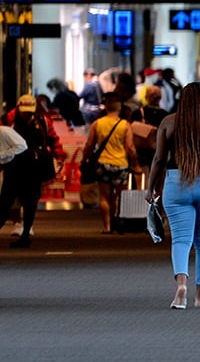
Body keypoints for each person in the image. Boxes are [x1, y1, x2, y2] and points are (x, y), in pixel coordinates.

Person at [146, 83, 200, 310]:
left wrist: (150, 187)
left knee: (180, 239)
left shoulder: (168, 123)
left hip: (176, 183)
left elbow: (158, 159)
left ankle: (181, 286)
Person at [1, 95, 66, 247]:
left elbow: (53, 139)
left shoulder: (42, 120)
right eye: (24, 111)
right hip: (14, 166)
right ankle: (17, 227)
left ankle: (25, 235)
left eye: (30, 112)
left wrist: (59, 156)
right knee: (5, 202)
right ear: (18, 108)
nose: (27, 114)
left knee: (30, 201)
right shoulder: (8, 119)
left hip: (34, 167)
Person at [81, 92, 137, 234]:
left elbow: (89, 145)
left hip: (103, 163)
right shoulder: (125, 125)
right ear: (119, 108)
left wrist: (84, 159)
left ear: (105, 107)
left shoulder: (97, 124)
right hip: (121, 164)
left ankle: (107, 226)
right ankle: (119, 221)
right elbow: (130, 147)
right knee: (120, 196)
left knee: (104, 196)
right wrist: (135, 163)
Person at [130, 85, 169, 179]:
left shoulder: (138, 113)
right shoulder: (166, 115)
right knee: (160, 186)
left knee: (144, 184)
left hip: (141, 154)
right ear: (160, 98)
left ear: (146, 97)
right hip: (160, 154)